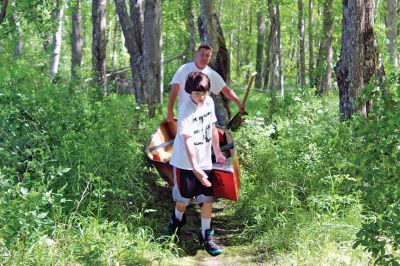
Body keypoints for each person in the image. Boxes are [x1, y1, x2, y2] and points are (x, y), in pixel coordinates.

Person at [167, 72, 226, 256]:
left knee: (206, 200)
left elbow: (212, 127)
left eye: (204, 93)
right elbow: (187, 140)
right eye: (196, 94)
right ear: (189, 92)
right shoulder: (185, 109)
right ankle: (176, 222)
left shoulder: (208, 102)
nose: (200, 98)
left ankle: (206, 238)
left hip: (204, 161)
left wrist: (216, 152)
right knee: (183, 201)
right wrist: (195, 169)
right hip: (185, 163)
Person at [167, 44, 244, 126]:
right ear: (196, 55)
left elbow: (226, 90)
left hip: (202, 114)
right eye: (202, 54)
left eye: (207, 56)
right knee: (185, 137)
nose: (204, 57)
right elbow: (174, 90)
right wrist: (170, 110)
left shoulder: (211, 74)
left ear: (210, 58)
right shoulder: (183, 69)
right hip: (185, 113)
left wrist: (238, 102)